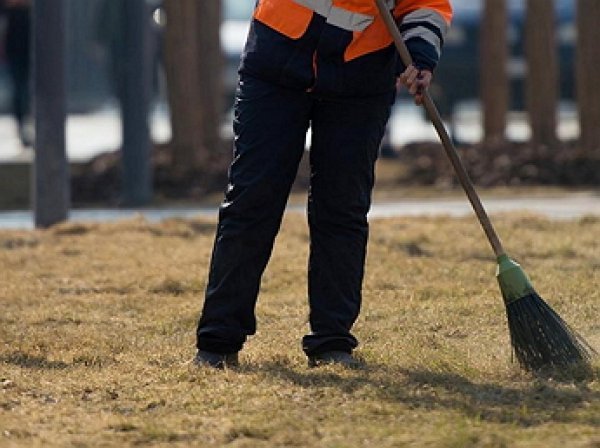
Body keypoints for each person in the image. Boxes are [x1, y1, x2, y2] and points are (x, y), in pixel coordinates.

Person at [195, 0, 453, 369]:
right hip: (277, 60)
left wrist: (421, 58)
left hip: (362, 76)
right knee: (252, 201)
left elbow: (427, 6)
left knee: (342, 208)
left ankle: (332, 342)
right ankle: (218, 342)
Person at [0, 0, 32, 147]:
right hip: (15, 44)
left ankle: (28, 124)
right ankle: (23, 125)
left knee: (27, 88)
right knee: (20, 88)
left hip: (31, 42)